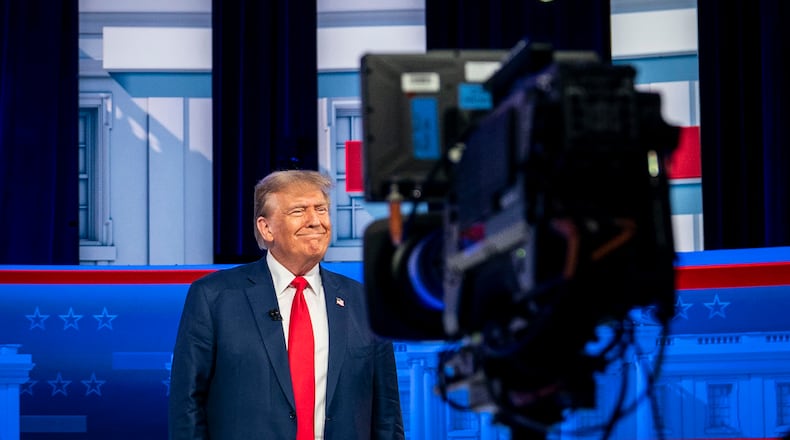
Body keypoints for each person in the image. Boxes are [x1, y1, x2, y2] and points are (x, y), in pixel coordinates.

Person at [168, 170, 405, 440]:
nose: (315, 221)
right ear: (266, 228)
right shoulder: (214, 297)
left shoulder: (364, 302)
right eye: (299, 211)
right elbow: (187, 406)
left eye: (322, 209)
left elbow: (387, 414)